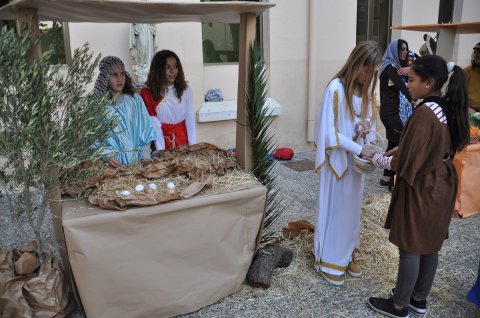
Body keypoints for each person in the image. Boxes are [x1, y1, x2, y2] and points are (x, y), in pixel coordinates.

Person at [368, 55, 469, 318]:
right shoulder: (443, 107)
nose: (407, 84)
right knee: (430, 245)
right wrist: (397, 148)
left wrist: (375, 157)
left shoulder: (425, 112)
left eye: (411, 79)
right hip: (442, 182)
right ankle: (418, 300)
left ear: (429, 82)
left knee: (411, 246)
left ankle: (399, 305)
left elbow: (406, 160)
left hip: (424, 185)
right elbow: (424, 143)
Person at [313, 41, 382, 286]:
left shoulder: (367, 93)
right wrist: (359, 147)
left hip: (356, 165)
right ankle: (330, 259)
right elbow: (329, 134)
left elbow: (370, 126)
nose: (368, 77)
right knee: (338, 208)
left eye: (373, 72)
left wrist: (366, 135)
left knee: (352, 211)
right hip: (338, 163)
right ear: (356, 63)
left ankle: (349, 250)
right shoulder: (335, 89)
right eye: (366, 70)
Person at [93, 56, 156, 168]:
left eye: (122, 74)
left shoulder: (135, 100)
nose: (120, 79)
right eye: (114, 75)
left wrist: (145, 153)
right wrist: (106, 155)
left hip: (138, 164)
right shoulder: (97, 106)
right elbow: (92, 138)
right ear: (105, 77)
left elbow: (146, 129)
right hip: (112, 168)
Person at [140, 49, 196, 151]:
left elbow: (190, 118)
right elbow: (154, 125)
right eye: (167, 67)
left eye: (175, 66)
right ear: (158, 70)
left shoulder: (185, 90)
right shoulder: (147, 92)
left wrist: (193, 147)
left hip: (182, 142)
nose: (173, 71)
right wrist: (161, 152)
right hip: (159, 143)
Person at [379, 39, 414, 188]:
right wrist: (415, 98)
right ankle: (399, 180)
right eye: (402, 49)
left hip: (390, 113)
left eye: (406, 49)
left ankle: (387, 178)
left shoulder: (391, 66)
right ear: (394, 51)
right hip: (390, 114)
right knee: (403, 144)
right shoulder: (390, 67)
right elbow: (403, 87)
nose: (405, 52)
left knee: (393, 143)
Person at [464, 42, 480, 112]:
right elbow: (457, 91)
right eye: (475, 52)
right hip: (470, 110)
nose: (476, 55)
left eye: (479, 52)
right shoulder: (467, 71)